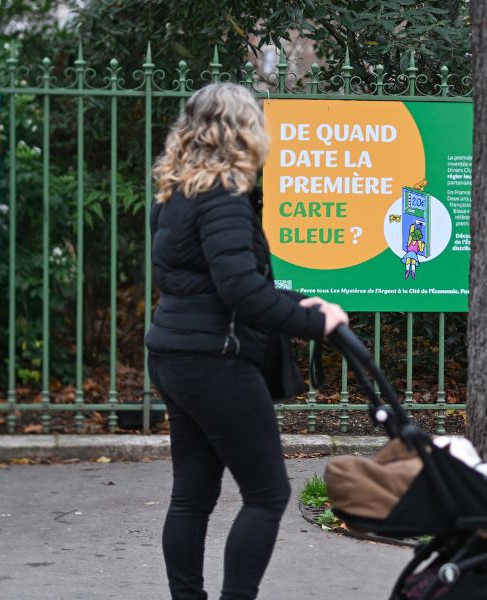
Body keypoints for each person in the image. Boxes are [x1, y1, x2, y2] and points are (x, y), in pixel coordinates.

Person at [145, 82, 349, 600]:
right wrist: (316, 324)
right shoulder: (224, 199)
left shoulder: (174, 197)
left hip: (175, 354)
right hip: (217, 362)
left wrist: (300, 300)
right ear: (241, 132)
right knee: (267, 493)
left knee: (192, 496)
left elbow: (211, 281)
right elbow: (240, 292)